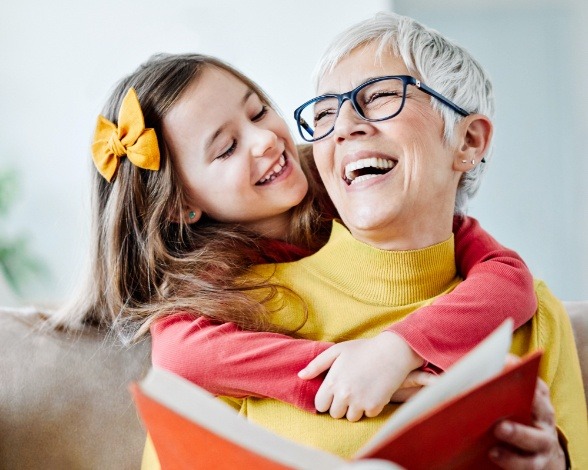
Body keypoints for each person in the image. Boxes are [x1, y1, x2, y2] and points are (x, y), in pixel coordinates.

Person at [146, 13, 587, 469]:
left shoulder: (533, 314)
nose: (344, 125)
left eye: (379, 97)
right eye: (324, 113)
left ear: (468, 142)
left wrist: (557, 463)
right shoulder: (236, 310)